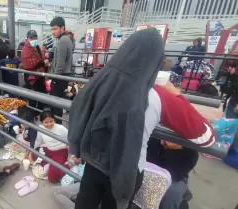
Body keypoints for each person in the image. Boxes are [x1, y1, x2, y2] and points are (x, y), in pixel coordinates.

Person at [68, 28, 215, 209]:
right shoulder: (157, 95)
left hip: (93, 160)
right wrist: (177, 94)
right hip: (125, 170)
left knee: (84, 203)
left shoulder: (101, 80)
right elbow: (207, 137)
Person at [146, 138, 198, 209]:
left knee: (172, 194)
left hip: (175, 177)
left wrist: (175, 147)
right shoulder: (154, 138)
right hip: (150, 169)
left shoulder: (190, 151)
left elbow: (177, 174)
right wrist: (161, 145)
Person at [49, 17, 73, 123]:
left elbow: (60, 64)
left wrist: (54, 78)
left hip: (60, 75)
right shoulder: (65, 39)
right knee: (57, 101)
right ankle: (57, 123)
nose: (53, 32)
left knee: (55, 102)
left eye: (55, 29)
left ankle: (57, 124)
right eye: (52, 29)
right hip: (63, 75)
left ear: (62, 28)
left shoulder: (62, 41)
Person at [34, 111, 68, 183]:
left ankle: (69, 166)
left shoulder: (60, 128)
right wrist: (30, 149)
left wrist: (68, 146)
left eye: (51, 121)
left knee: (52, 178)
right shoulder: (40, 128)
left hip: (60, 152)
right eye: (46, 122)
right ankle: (47, 165)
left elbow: (71, 138)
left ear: (54, 120)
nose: (49, 124)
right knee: (33, 152)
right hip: (48, 150)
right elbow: (38, 141)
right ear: (41, 122)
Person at [21, 30, 49, 112]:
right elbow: (27, 63)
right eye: (31, 38)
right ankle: (33, 112)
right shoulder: (25, 49)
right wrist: (42, 62)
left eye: (35, 37)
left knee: (41, 92)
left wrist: (46, 60)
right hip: (31, 76)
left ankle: (40, 110)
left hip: (39, 75)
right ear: (27, 39)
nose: (33, 39)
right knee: (32, 95)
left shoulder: (37, 47)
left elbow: (42, 57)